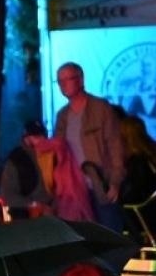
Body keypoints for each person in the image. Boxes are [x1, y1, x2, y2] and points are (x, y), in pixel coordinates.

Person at [53, 62, 126, 233]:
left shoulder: (101, 108)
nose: (63, 85)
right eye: (59, 81)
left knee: (108, 235)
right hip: (75, 189)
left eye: (68, 79)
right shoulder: (63, 115)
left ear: (80, 80)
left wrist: (115, 182)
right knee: (82, 238)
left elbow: (115, 146)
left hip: (101, 183)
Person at [0, 122, 53, 220]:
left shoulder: (51, 154)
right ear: (26, 138)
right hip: (25, 215)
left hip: (52, 211)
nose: (42, 139)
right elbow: (8, 195)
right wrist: (33, 204)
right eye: (36, 136)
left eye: (43, 135)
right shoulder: (16, 159)